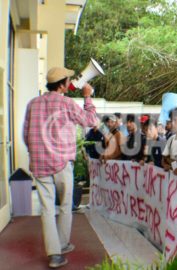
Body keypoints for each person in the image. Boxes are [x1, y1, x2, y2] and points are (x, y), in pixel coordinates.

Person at [23, 67, 97, 268]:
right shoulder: (67, 103)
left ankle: (54, 254)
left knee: (47, 209)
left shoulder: (33, 104)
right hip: (62, 163)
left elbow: (25, 135)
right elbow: (90, 121)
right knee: (65, 205)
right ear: (63, 85)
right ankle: (62, 244)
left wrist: (36, 153)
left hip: (39, 164)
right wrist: (88, 98)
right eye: (68, 80)